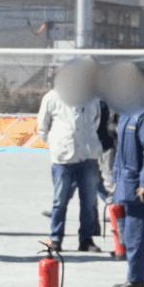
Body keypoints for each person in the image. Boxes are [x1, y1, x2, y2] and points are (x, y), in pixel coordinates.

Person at [37, 85, 102, 253]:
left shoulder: (93, 99)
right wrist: (56, 143)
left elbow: (96, 122)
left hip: (88, 156)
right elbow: (42, 127)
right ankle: (56, 238)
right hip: (63, 159)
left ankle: (86, 239)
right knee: (59, 201)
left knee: (88, 202)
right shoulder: (52, 97)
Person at [111, 97, 144, 287]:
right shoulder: (126, 113)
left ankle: (137, 280)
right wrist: (116, 179)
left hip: (140, 185)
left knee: (137, 235)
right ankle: (136, 276)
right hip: (126, 182)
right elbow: (119, 153)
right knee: (131, 234)